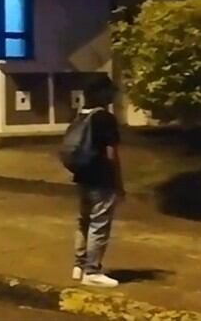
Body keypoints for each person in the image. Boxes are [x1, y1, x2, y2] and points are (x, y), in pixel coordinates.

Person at [71, 76, 124, 288]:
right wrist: (118, 183)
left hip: (82, 176)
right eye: (109, 91)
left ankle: (79, 265)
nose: (112, 95)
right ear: (100, 92)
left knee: (84, 221)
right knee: (99, 224)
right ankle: (92, 271)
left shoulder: (81, 115)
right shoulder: (105, 118)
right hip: (102, 178)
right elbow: (112, 154)